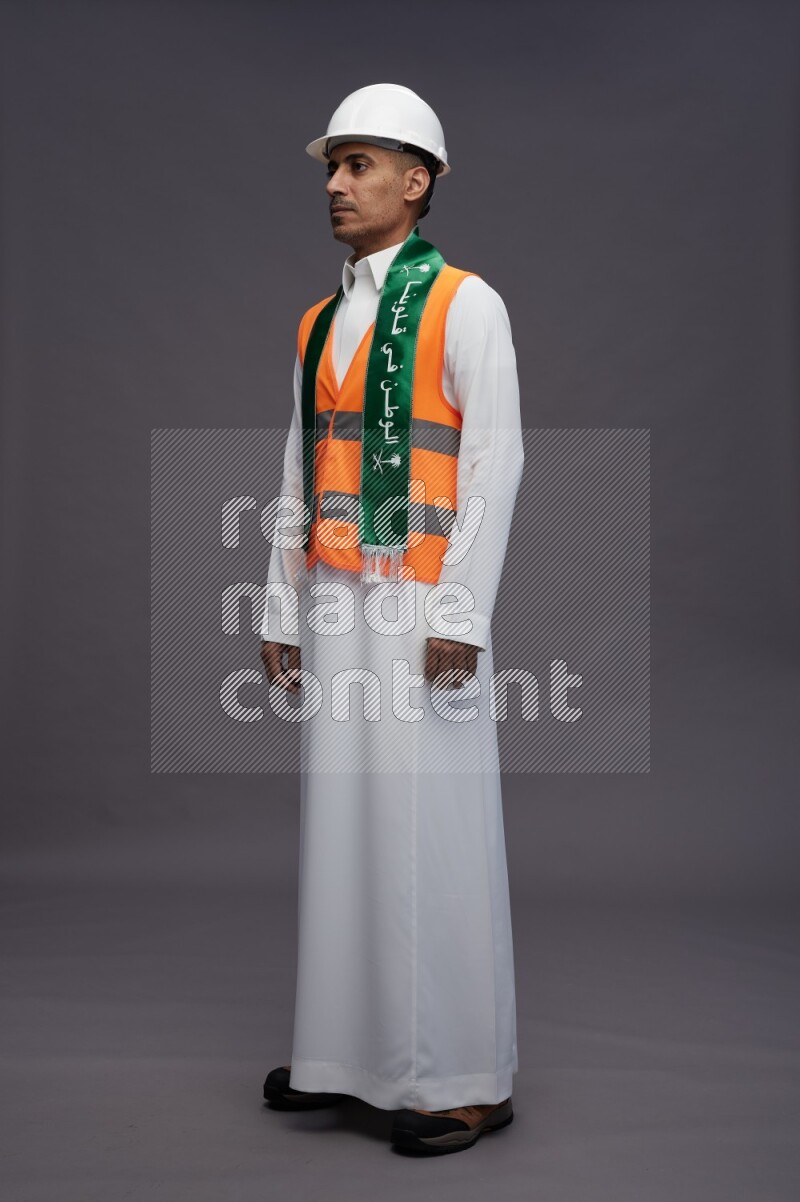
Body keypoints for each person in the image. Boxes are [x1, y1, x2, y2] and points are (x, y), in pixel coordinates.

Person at [259, 82, 524, 1155]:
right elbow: (298, 464)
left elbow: (495, 461)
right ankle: (344, 1057)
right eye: (333, 165)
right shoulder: (319, 320)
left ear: (416, 182)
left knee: (434, 828)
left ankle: (465, 1077)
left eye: (358, 163)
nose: (335, 182)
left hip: (421, 597)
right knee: (345, 824)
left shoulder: (465, 302)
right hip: (337, 590)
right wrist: (280, 600)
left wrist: (461, 610)